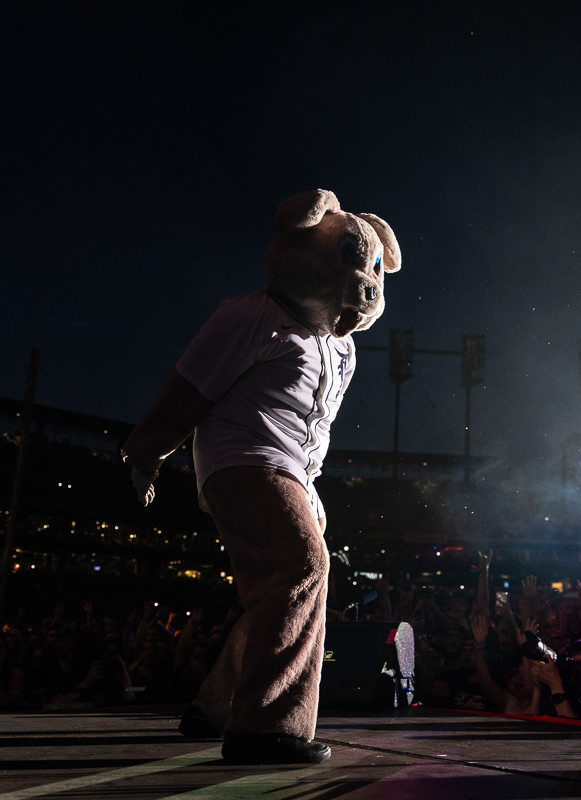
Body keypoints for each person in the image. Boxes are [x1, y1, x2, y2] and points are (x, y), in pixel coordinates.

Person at [121, 189, 400, 765]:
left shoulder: (343, 350)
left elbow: (313, 428)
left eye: (373, 267)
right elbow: (187, 391)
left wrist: (310, 490)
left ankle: (216, 707)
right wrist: (146, 454)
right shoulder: (250, 315)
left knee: (283, 591)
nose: (367, 282)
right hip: (240, 459)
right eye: (352, 258)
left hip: (292, 470)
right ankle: (266, 727)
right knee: (302, 566)